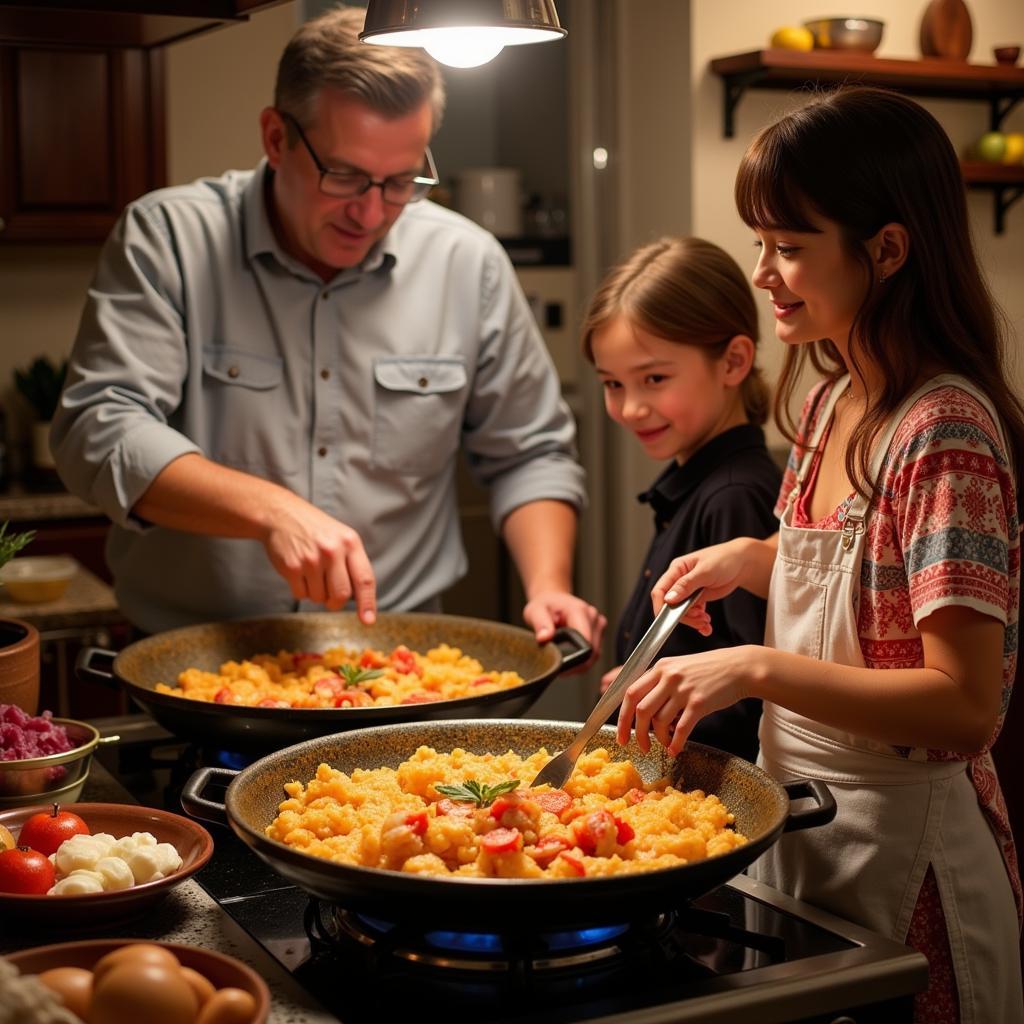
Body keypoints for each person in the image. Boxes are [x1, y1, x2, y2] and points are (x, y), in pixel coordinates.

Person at [616, 87, 1024, 1021]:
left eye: (791, 246)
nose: (764, 272)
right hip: (809, 833)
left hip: (905, 858)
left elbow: (964, 706)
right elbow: (866, 573)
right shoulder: (836, 398)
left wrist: (758, 665)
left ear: (886, 249)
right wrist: (750, 559)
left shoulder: (944, 431)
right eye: (760, 242)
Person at [50, 5, 605, 657]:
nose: (371, 212)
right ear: (276, 138)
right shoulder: (169, 237)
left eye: (401, 181)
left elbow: (531, 452)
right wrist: (270, 510)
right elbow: (99, 427)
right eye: (343, 175)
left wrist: (548, 584)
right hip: (198, 663)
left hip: (401, 668)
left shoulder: (468, 261)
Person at [582, 237, 780, 761]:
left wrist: (655, 700)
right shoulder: (695, 478)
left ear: (734, 361)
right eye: (612, 384)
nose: (630, 408)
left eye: (654, 378)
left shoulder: (735, 495)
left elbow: (756, 700)